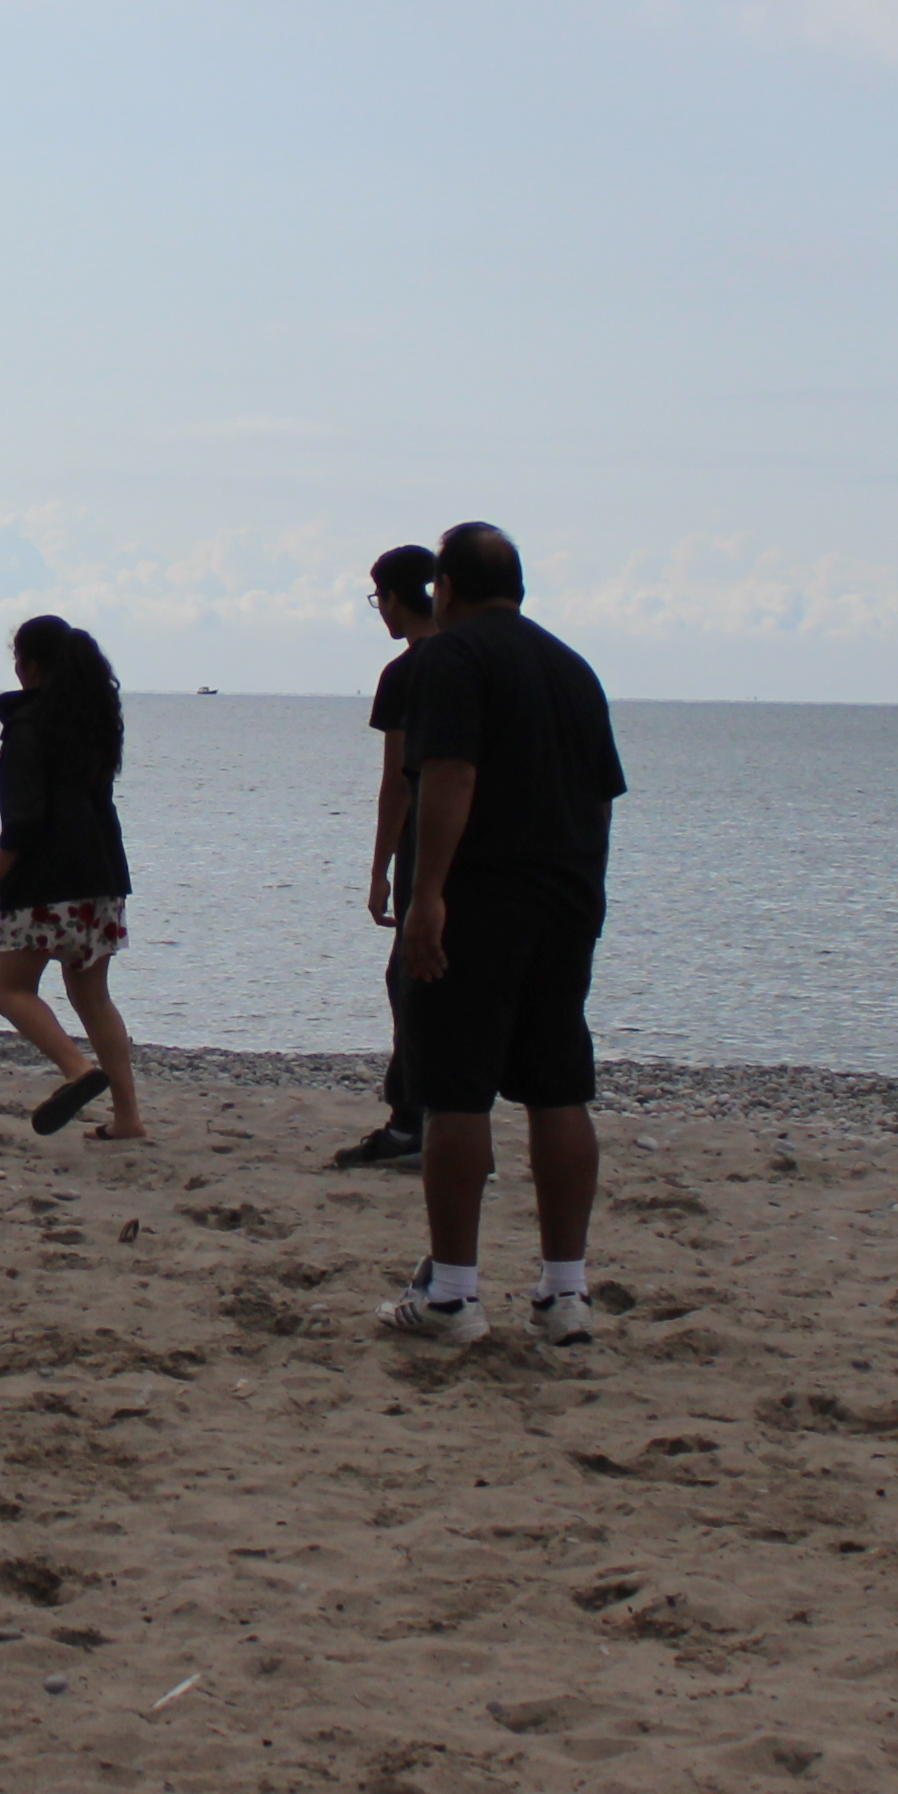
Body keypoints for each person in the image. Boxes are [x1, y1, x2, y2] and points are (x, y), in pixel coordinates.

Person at [378, 520, 627, 1346]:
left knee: (455, 1090)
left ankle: (453, 1294)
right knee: (558, 1087)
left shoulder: (449, 658)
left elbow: (450, 772)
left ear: (444, 587)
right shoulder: (573, 668)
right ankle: (565, 1292)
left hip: (480, 898)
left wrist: (427, 895)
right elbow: (601, 798)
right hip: (567, 894)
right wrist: (587, 892)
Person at [0, 613, 141, 1139]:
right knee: (93, 997)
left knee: (11, 990)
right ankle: (128, 1119)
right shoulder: (92, 723)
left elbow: (23, 821)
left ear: (28, 665)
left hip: (45, 883)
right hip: (102, 879)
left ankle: (76, 1069)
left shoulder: (26, 729)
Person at [330, 545, 444, 1172]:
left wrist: (378, 870)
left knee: (409, 979)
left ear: (395, 598)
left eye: (380, 600)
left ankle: (410, 1122)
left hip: (426, 845)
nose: (382, 612)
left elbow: (397, 780)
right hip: (483, 847)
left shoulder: (407, 672)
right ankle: (450, 1121)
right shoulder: (474, 660)